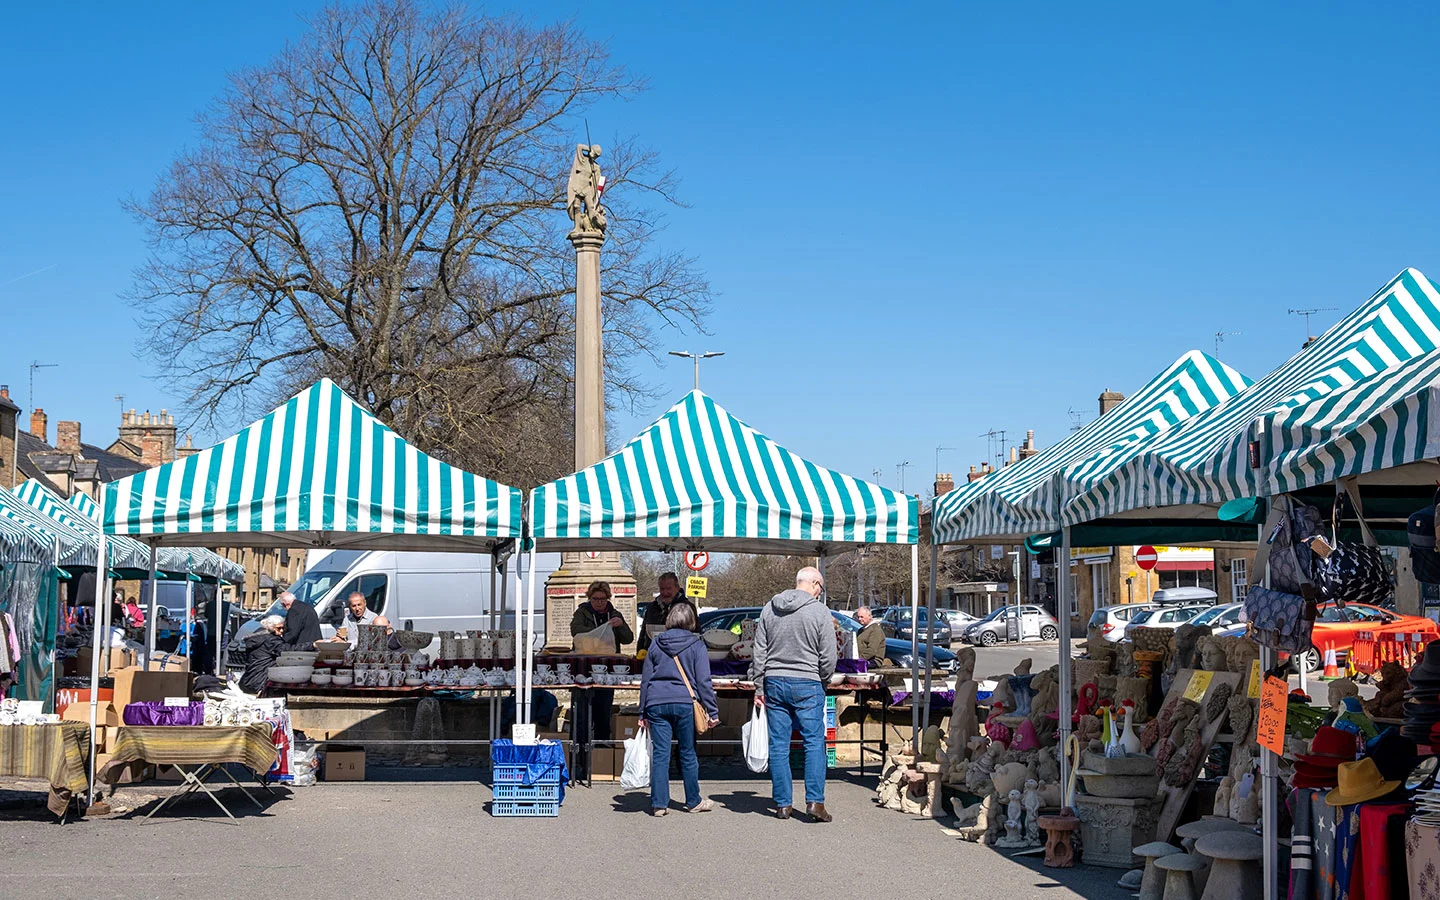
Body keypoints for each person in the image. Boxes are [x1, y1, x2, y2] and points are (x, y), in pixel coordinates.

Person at [750, 565, 838, 822]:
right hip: (808, 682)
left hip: (775, 680)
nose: (820, 593)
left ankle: (782, 804)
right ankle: (814, 802)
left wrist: (759, 684)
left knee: (779, 744)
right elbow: (828, 656)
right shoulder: (819, 611)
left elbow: (759, 651)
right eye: (820, 588)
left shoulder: (770, 607)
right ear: (814, 584)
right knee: (813, 742)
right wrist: (823, 679)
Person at [640, 601, 719, 815]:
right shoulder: (697, 645)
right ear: (692, 622)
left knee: (661, 754)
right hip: (685, 702)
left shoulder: (656, 644)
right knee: (687, 752)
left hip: (656, 702)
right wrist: (712, 711)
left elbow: (646, 678)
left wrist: (642, 711)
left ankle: (659, 804)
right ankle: (693, 800)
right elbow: (703, 681)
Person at [570, 581, 634, 752]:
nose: (599, 602)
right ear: (590, 598)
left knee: (603, 711)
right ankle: (581, 748)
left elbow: (628, 638)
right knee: (582, 713)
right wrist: (601, 629)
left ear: (608, 598)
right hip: (584, 670)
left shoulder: (614, 613)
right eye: (596, 598)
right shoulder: (582, 612)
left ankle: (602, 750)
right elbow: (576, 631)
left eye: (603, 599)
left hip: (607, 671)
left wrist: (620, 625)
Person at [638, 572, 694, 653]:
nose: (665, 592)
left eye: (668, 588)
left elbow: (694, 634)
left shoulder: (688, 608)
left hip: (677, 655)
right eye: (662, 589)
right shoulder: (652, 607)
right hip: (652, 654)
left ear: (677, 587)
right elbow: (643, 634)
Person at [239, 615, 285, 694]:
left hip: (248, 680)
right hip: (262, 683)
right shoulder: (271, 640)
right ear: (271, 627)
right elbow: (287, 650)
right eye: (279, 628)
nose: (282, 631)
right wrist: (311, 645)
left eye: (283, 628)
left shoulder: (257, 637)